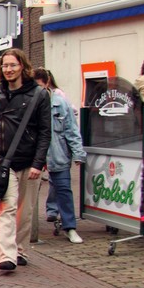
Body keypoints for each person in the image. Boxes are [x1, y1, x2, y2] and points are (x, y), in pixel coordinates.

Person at [0, 48, 51, 271]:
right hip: (5, 162)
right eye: (5, 66)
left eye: (13, 65)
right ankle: (7, 255)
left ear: (23, 67)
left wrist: (38, 163)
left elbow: (45, 131)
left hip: (29, 161)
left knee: (25, 211)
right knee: (7, 208)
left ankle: (21, 250)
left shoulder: (39, 94)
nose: (8, 70)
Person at [35, 68, 86, 244]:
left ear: (47, 84)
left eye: (41, 87)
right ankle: (29, 228)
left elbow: (71, 129)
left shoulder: (60, 103)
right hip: (34, 153)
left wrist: (78, 153)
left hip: (57, 152)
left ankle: (69, 227)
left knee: (64, 189)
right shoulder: (30, 102)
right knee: (28, 191)